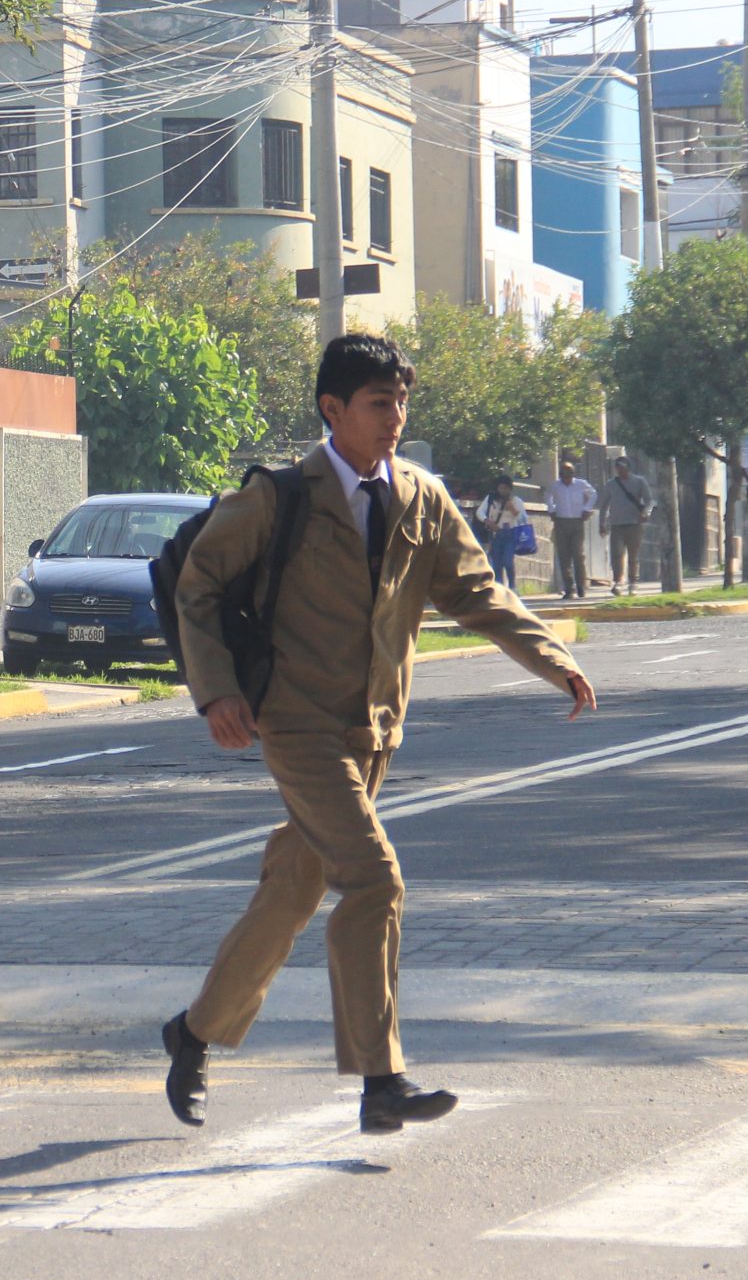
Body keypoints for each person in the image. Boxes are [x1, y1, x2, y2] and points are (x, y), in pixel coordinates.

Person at [161, 334, 597, 1136]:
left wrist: (553, 658)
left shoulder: (423, 498)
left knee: (293, 888)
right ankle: (380, 1078)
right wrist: (215, 690)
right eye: (377, 402)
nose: (395, 416)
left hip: (375, 730)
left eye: (401, 400)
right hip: (296, 723)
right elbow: (198, 587)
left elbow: (477, 593)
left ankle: (191, 1032)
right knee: (374, 880)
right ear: (334, 410)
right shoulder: (278, 497)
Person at [542, 456, 598, 600]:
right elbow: (548, 496)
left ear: (573, 474)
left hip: (577, 521)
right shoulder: (555, 486)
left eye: (569, 475)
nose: (566, 478)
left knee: (578, 555)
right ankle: (569, 588)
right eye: (563, 475)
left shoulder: (580, 484)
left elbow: (593, 494)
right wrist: (551, 510)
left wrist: (587, 508)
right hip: (561, 522)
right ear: (560, 475)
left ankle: (581, 585)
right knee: (564, 556)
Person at [604, 456, 656, 596]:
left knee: (633, 555)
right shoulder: (611, 484)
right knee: (617, 554)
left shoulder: (639, 482)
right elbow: (604, 504)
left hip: (634, 523)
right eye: (618, 467)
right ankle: (618, 582)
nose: (620, 470)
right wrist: (602, 523)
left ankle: (633, 583)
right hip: (616, 524)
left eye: (623, 467)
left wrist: (646, 512)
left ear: (628, 467)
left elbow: (649, 500)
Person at [474, 475, 529, 590]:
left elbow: (523, 519)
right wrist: (488, 521)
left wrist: (513, 510)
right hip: (496, 534)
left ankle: (512, 587)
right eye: (501, 488)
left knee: (508, 561)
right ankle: (499, 588)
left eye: (505, 488)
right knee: (497, 563)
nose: (503, 491)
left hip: (511, 533)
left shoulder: (516, 501)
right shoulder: (490, 499)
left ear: (510, 488)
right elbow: (480, 512)